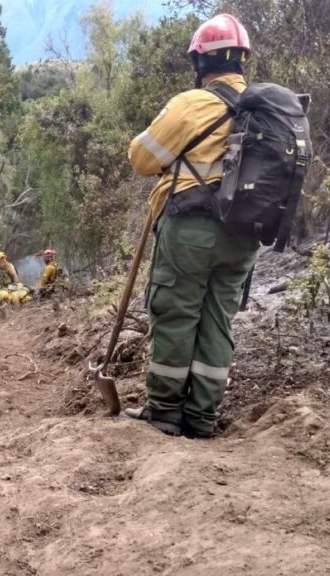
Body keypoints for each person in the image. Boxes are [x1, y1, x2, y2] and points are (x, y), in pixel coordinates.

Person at [125, 14, 257, 439]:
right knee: (218, 318)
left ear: (200, 62)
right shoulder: (267, 108)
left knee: (177, 312)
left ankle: (165, 412)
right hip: (245, 234)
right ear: (241, 61)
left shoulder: (192, 104)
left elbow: (141, 159)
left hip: (192, 229)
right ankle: (202, 417)